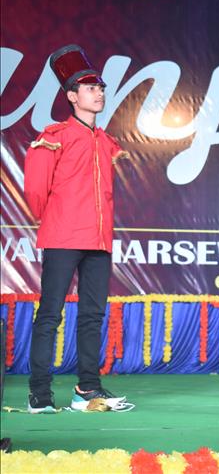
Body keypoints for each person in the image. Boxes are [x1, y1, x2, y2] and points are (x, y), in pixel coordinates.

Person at [23, 45, 130, 413]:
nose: (98, 93)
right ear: (72, 96)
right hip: (63, 236)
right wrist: (56, 218)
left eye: (100, 88)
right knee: (50, 313)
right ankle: (39, 393)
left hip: (98, 241)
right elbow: (35, 189)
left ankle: (87, 388)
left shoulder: (106, 142)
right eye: (89, 88)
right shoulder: (55, 135)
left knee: (92, 315)